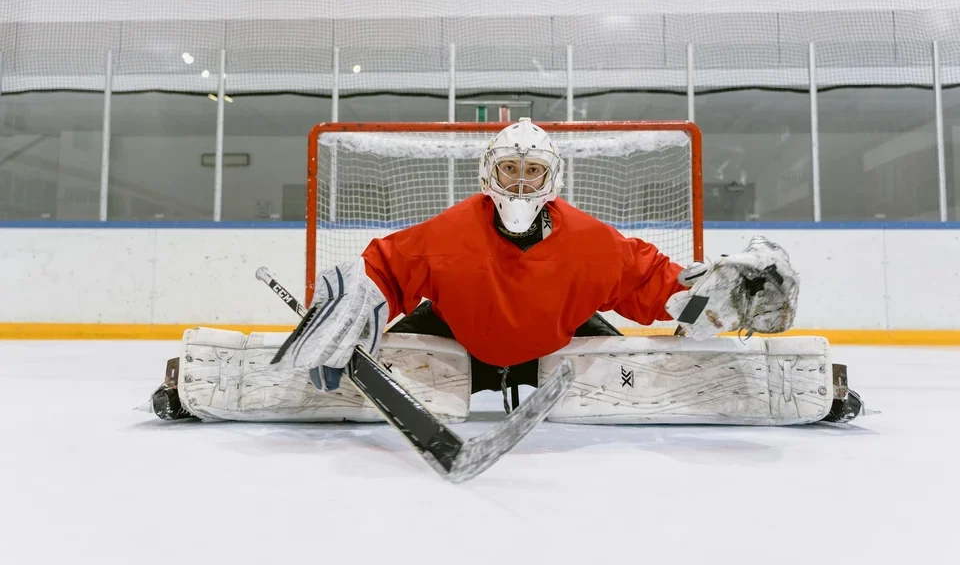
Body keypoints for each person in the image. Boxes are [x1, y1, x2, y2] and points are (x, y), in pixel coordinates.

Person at [270, 118, 800, 401]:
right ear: (488, 174)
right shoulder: (449, 232)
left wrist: (704, 298)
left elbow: (655, 283)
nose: (520, 183)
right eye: (509, 171)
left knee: (632, 366)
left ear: (552, 179)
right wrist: (354, 299)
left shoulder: (592, 243)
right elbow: (385, 267)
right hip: (458, 339)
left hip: (560, 343)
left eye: (533, 173)